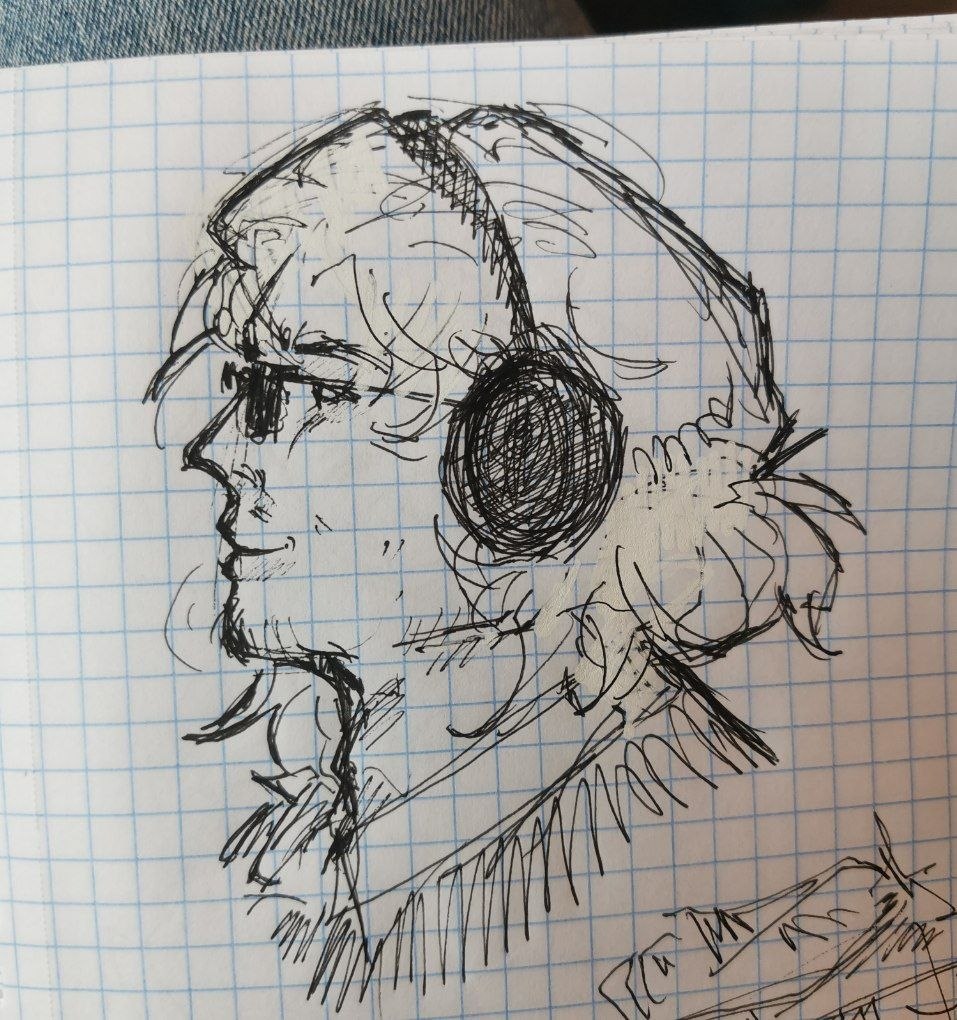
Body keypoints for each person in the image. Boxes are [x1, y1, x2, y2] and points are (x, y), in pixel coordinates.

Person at [148, 102, 861, 999]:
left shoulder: (718, 917)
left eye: (298, 389)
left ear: (527, 466)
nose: (216, 449)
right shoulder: (309, 864)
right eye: (245, 386)